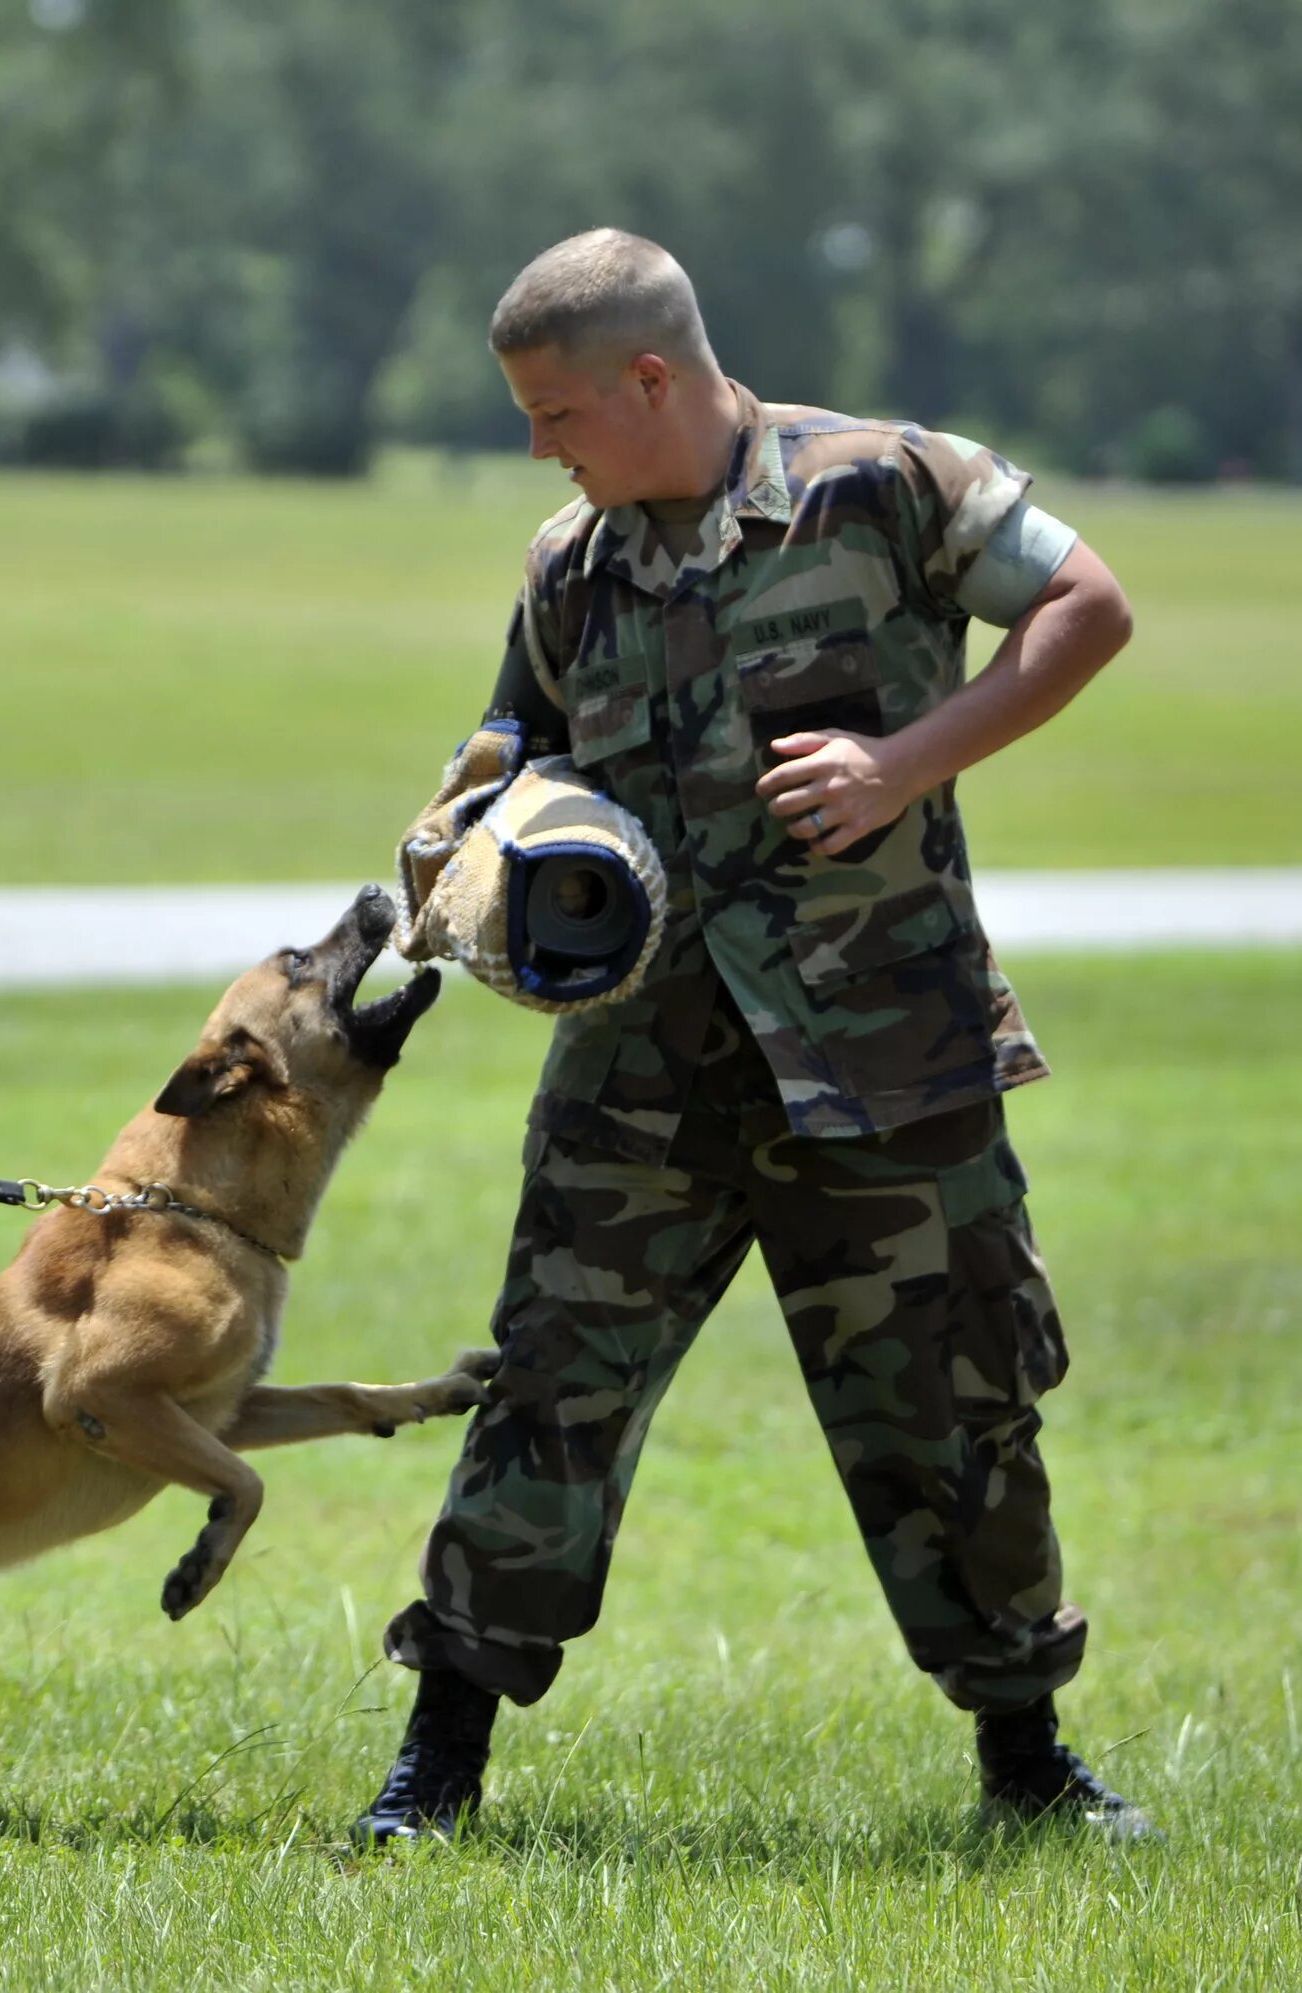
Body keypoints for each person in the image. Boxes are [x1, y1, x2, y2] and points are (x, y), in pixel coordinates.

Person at [354, 231, 1151, 1845]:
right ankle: (435, 1770)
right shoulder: (569, 562)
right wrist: (460, 827)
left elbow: (1087, 602)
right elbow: (518, 737)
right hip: (643, 1079)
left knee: (958, 1408)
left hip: (888, 1053)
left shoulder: (893, 486)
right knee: (548, 1396)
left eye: (557, 410)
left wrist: (904, 763)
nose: (540, 446)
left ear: (652, 377)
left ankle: (1028, 1763)